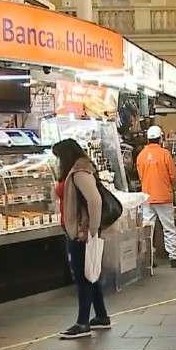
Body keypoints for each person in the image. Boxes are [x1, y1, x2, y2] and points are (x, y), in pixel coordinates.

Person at [53, 139, 110, 339]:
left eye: (59, 157)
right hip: (78, 230)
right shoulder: (77, 170)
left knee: (83, 276)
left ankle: (83, 322)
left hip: (81, 232)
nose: (58, 162)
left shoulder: (79, 173)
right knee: (90, 273)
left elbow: (95, 200)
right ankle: (102, 316)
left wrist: (91, 230)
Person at [137, 126, 176, 268]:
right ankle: (174, 256)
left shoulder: (141, 155)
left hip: (147, 198)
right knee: (168, 227)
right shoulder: (165, 154)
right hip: (163, 197)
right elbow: (173, 176)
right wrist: (173, 188)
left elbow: (140, 175)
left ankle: (148, 257)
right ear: (160, 138)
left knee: (147, 229)